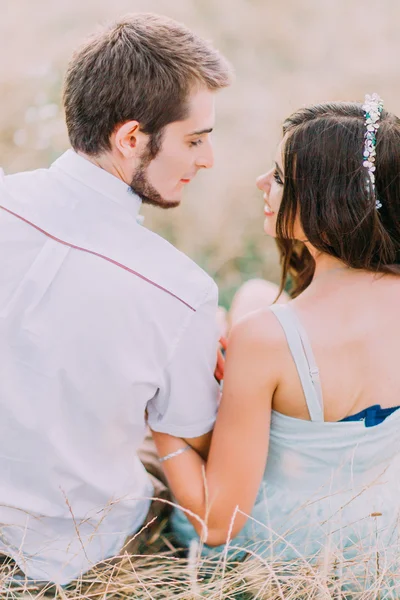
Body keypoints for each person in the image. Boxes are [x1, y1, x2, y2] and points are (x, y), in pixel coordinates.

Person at [0, 13, 232, 585]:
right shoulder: (180, 293)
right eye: (195, 139)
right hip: (70, 556)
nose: (207, 160)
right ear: (131, 138)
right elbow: (192, 434)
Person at [151, 96, 400, 587]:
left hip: (292, 544)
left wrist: (161, 420)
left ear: (330, 201)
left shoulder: (266, 338)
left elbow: (217, 525)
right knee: (253, 295)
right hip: (380, 523)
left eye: (281, 178)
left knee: (245, 321)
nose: (261, 184)